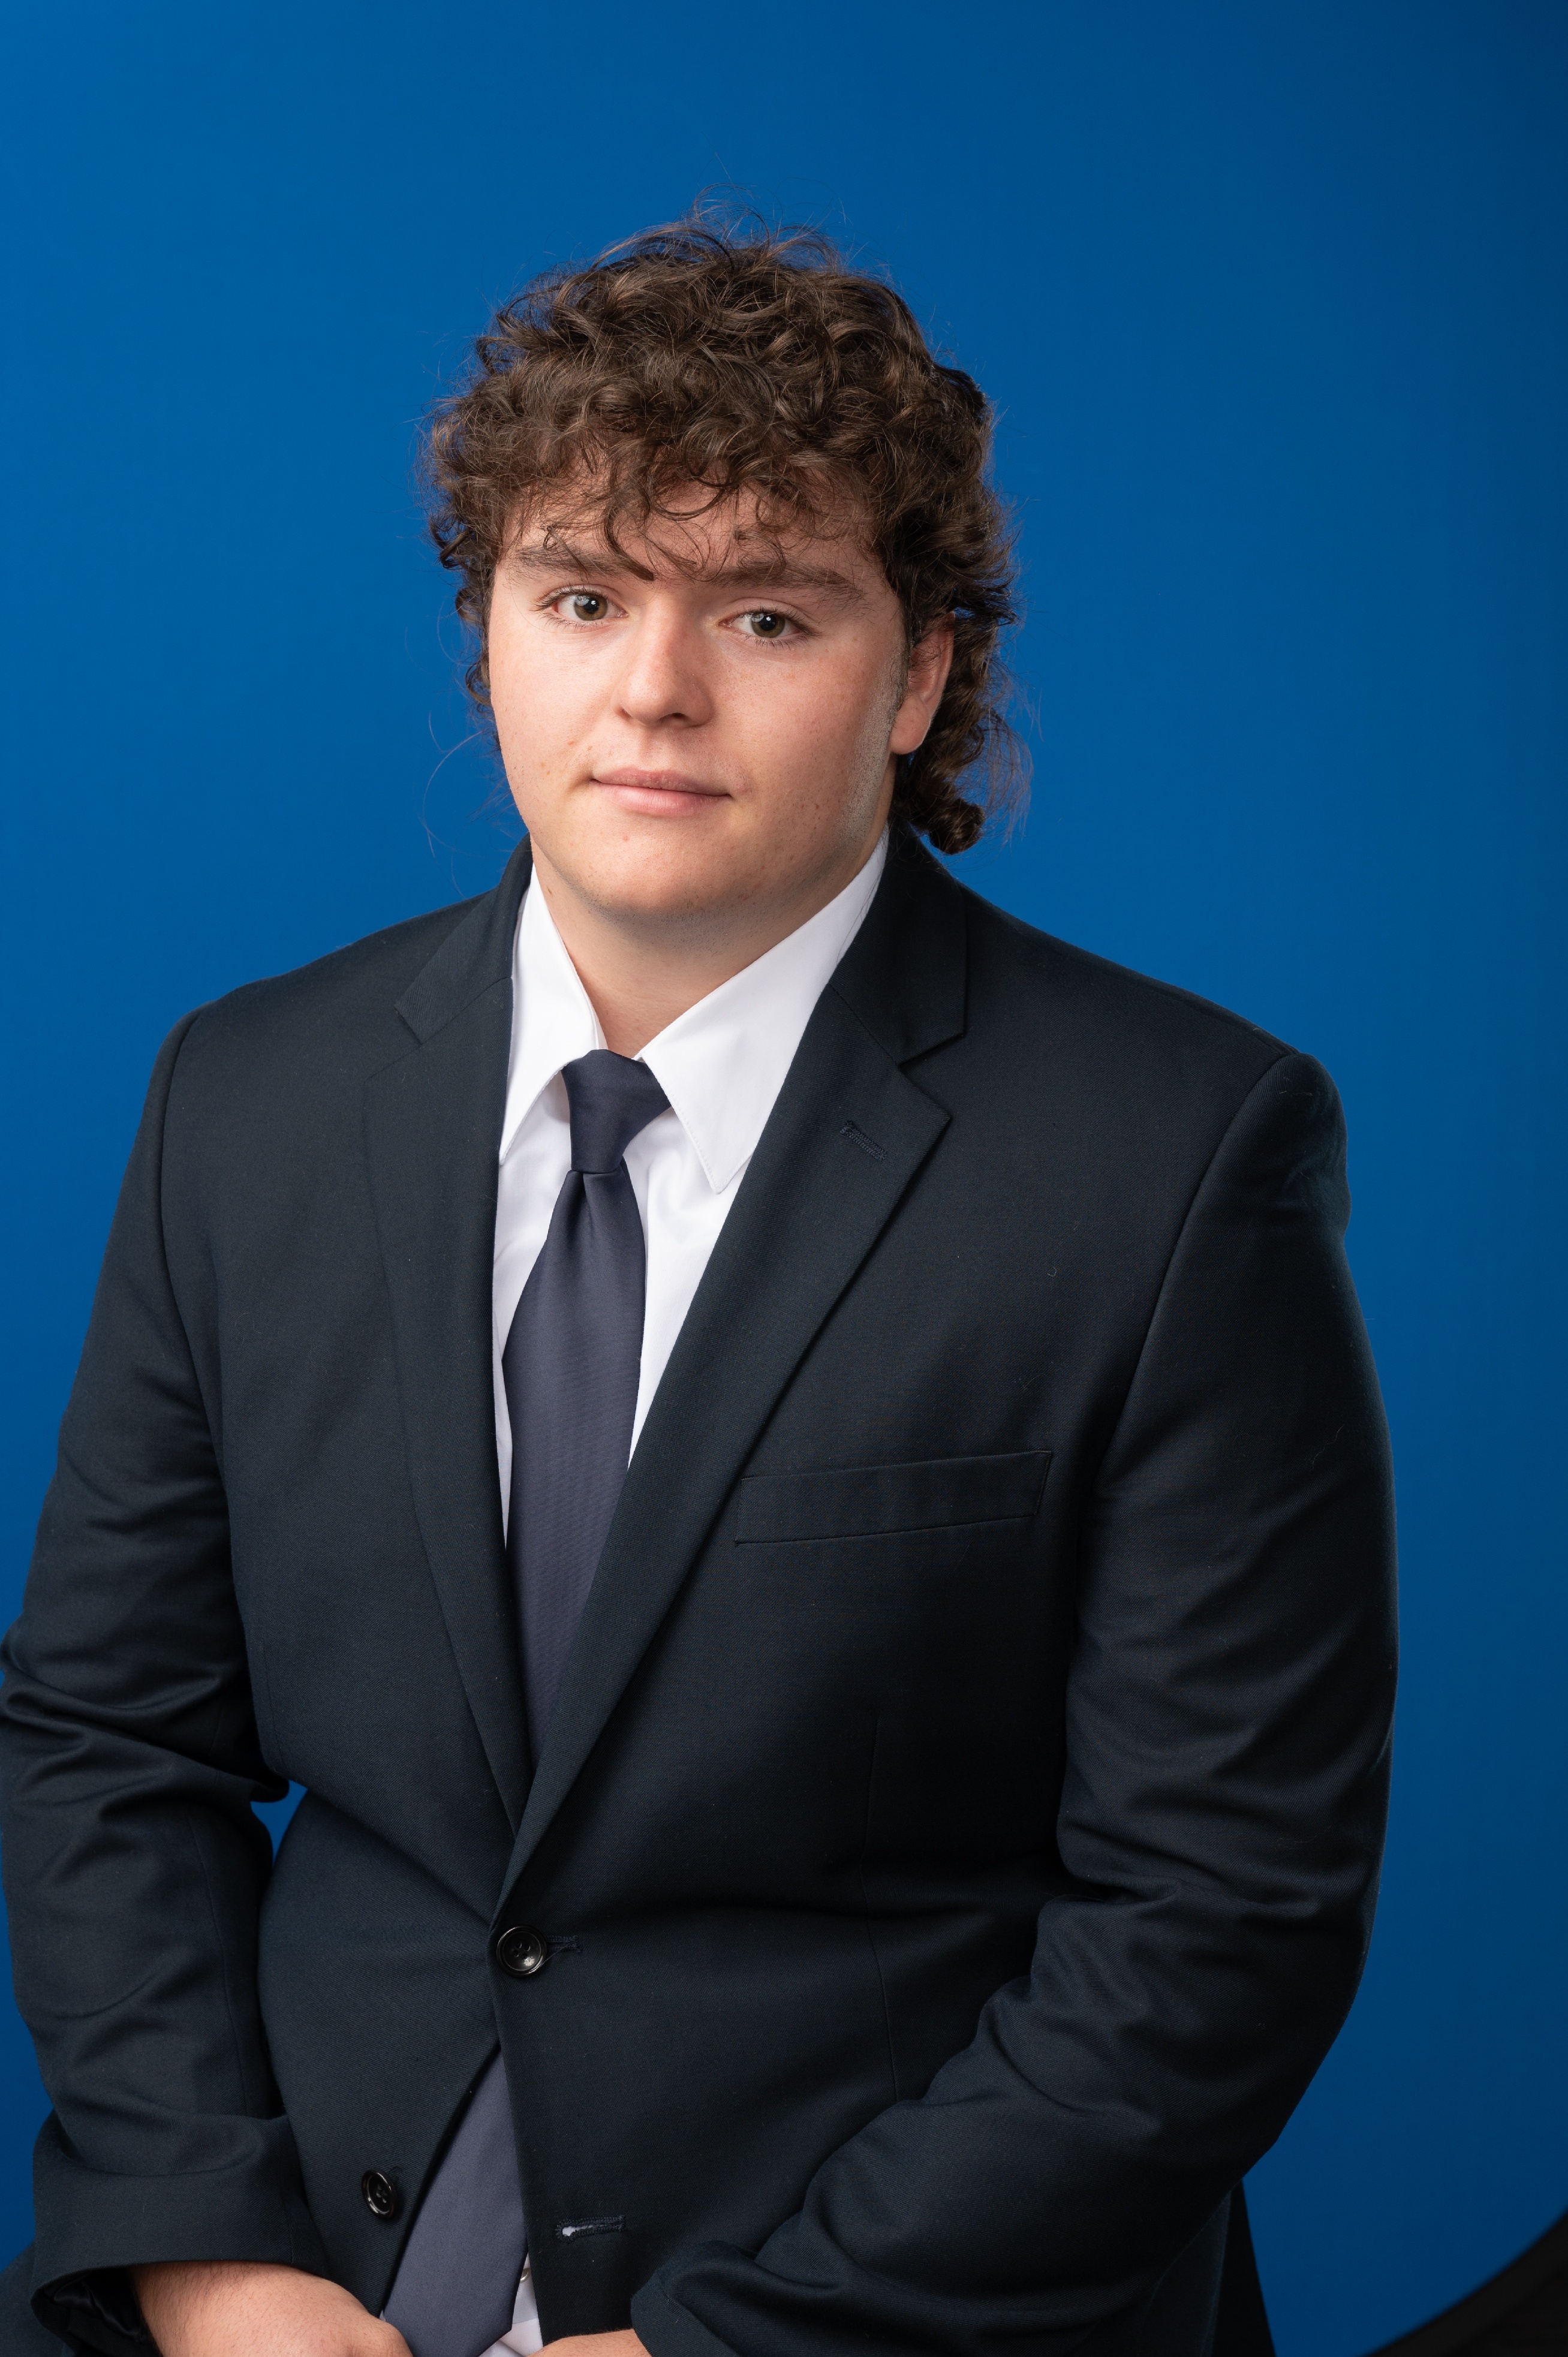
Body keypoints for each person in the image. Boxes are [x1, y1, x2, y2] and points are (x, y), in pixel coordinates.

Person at [0, 219, 1396, 2357]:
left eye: (764, 610)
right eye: (581, 596)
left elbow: (1220, 1918)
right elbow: (105, 1737)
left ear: (916, 677)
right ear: (489, 640)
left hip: (873, 2299)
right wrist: (210, 2261)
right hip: (297, 2275)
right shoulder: (244, 1098)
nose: (653, 689)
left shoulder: (1182, 1159)